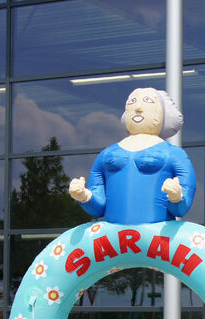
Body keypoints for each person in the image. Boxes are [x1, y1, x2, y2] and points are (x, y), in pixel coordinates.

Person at [68, 87, 196, 224]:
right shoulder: (107, 154)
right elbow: (98, 208)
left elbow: (181, 209)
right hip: (114, 234)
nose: (138, 107)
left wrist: (176, 196)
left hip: (156, 233)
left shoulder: (174, 154)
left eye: (147, 101)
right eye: (132, 101)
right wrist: (83, 195)